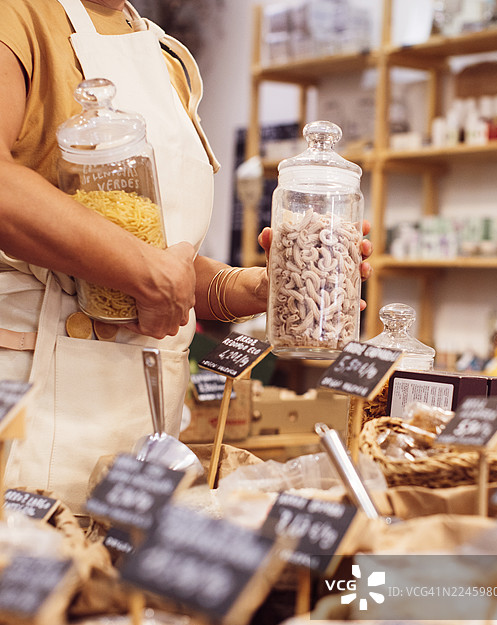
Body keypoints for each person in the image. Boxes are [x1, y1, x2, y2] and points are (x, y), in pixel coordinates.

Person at [0, 0, 372, 513]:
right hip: (39, 398)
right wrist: (143, 272)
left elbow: (158, 249)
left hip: (145, 415)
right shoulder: (18, 15)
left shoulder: (162, 54)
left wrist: (250, 290)